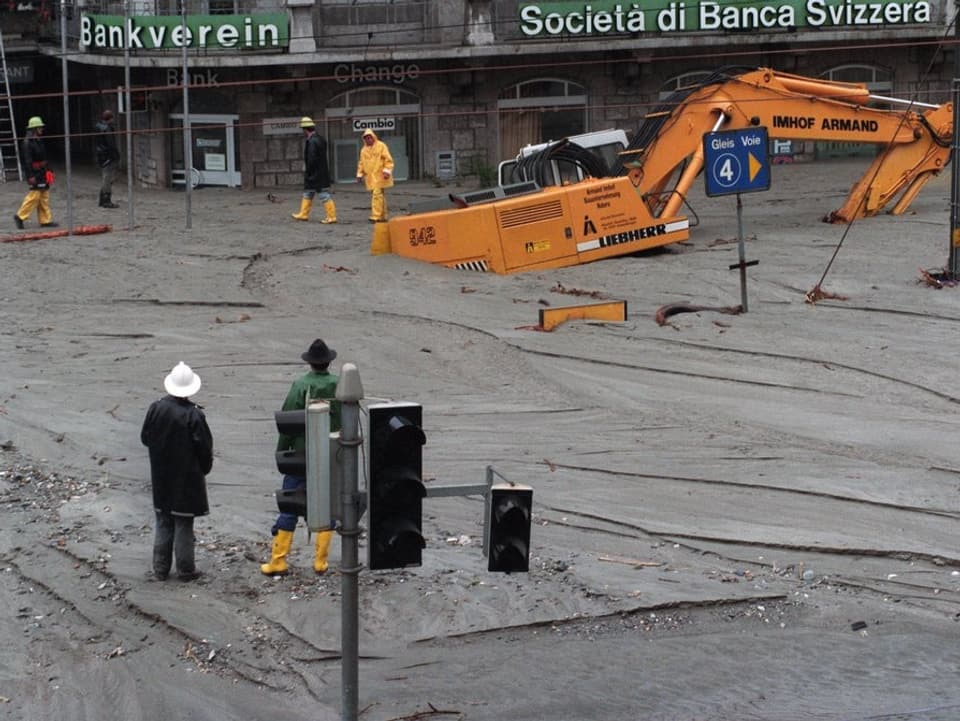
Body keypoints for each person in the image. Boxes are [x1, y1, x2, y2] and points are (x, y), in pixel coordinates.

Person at [261, 338, 341, 576]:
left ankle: (279, 560)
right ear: (328, 362)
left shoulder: (299, 385)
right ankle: (320, 561)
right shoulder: (339, 384)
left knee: (290, 503)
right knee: (328, 505)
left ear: (310, 363)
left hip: (300, 454)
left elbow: (288, 421)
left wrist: (282, 450)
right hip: (330, 454)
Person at [141, 361, 214, 582]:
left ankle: (160, 569)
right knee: (183, 523)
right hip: (187, 479)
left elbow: (145, 437)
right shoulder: (194, 415)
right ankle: (185, 570)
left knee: (163, 520)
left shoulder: (156, 407)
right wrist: (204, 468)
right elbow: (204, 449)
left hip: (161, 476)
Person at [14, 116, 57, 229]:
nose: (42, 129)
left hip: (42, 171)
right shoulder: (27, 143)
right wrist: (30, 176)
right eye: (40, 127)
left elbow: (44, 157)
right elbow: (27, 161)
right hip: (35, 172)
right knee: (34, 196)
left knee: (44, 196)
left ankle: (45, 220)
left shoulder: (38, 141)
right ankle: (20, 216)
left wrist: (49, 169)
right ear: (34, 129)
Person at [291, 116, 336, 224]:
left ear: (306, 129)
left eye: (303, 129)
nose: (303, 132)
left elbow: (311, 158)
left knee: (323, 195)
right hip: (320, 172)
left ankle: (332, 217)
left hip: (315, 173)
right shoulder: (320, 139)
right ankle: (303, 214)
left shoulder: (312, 141)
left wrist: (308, 171)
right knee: (308, 193)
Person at [355, 128, 394, 222]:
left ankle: (375, 216)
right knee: (379, 195)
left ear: (373, 137)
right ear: (364, 139)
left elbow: (388, 159)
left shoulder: (381, 146)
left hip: (380, 175)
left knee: (377, 194)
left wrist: (387, 171)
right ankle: (383, 216)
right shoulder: (363, 150)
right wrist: (359, 174)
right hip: (371, 177)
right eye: (366, 138)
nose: (368, 139)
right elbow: (361, 163)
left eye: (370, 137)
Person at [94, 109, 121, 209]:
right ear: (111, 118)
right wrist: (116, 156)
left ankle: (102, 199)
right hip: (108, 156)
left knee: (106, 177)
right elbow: (111, 145)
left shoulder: (98, 126)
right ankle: (106, 200)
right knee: (108, 178)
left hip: (101, 155)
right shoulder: (107, 129)